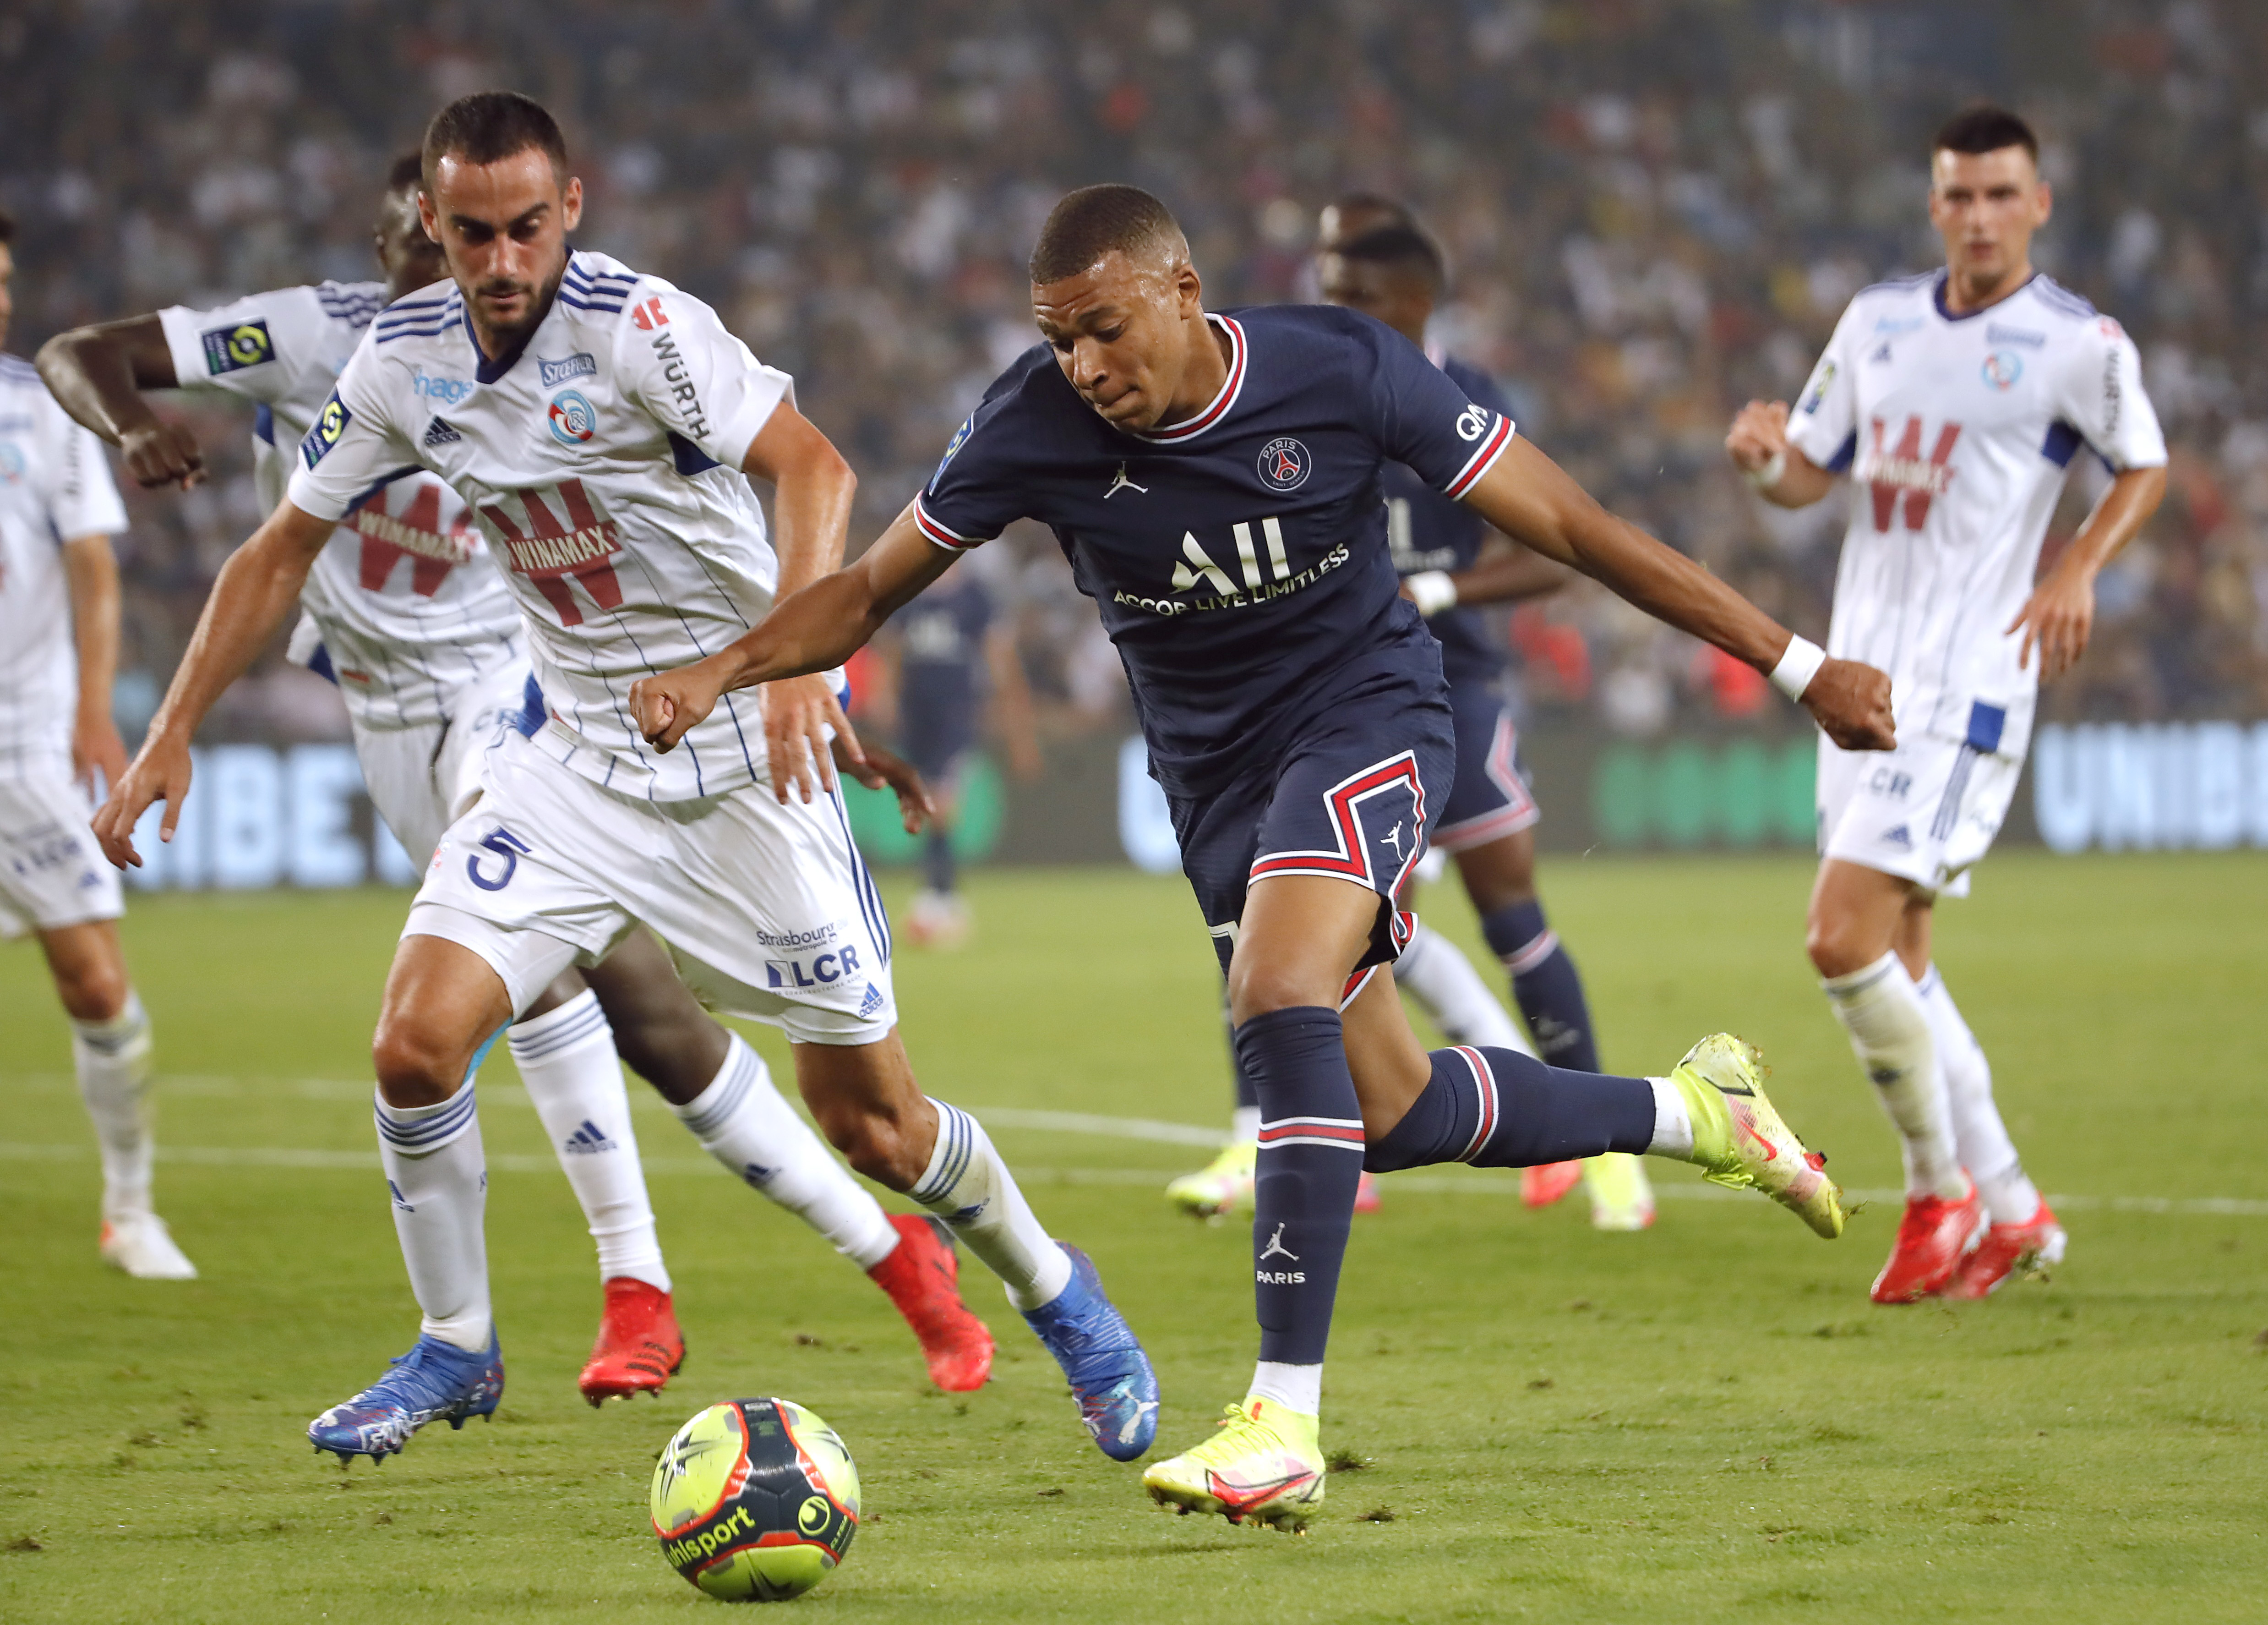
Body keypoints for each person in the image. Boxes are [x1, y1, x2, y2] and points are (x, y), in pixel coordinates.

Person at [627, 184, 1891, 1529]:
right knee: (1392, 1114)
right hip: (1216, 783)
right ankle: (1700, 1114)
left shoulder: (1338, 370)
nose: (1085, 368)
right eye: (1060, 340)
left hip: (1370, 715)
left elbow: (1574, 530)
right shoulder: (1031, 423)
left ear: (1183, 290)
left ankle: (1281, 1418)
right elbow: (867, 590)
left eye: (1105, 330)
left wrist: (1795, 662)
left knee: (1278, 997)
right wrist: (725, 666)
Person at [89, 95, 1149, 1463]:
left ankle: (1062, 1296)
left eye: (528, 226)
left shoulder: (642, 327)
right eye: (471, 232)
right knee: (414, 1044)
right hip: (575, 762)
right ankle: (456, 1347)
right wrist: (173, 725)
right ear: (434, 226)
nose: (503, 258)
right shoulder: (399, 360)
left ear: (570, 209)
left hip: (741, 767)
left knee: (878, 1127)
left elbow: (812, 469)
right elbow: (278, 551)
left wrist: (784, 675)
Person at [1725, 105, 2166, 1303]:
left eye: (2000, 195)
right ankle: (2014, 1207)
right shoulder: (1876, 324)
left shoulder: (2080, 344)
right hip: (1856, 678)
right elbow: (1810, 475)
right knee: (1902, 955)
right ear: (1936, 205)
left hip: (1969, 681)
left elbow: (2148, 462)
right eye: (1959, 196)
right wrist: (1768, 461)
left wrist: (2076, 565)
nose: (1978, 217)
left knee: (1840, 932)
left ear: (2039, 204)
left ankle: (1941, 1192)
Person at [1167, 204, 1651, 1232]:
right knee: (1291, 913)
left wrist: (1440, 594)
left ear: (1411, 305)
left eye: (1351, 295)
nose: (1328, 309)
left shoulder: (1460, 396)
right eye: (1325, 287)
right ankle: (1286, 1132)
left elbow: (1553, 549)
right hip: (1337, 695)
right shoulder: (1293, 388)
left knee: (1510, 909)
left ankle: (1609, 1150)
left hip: (1454, 686)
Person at [0, 206, 193, 1280]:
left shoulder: (35, 412)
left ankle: (130, 1207)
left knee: (94, 984)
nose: (3, 298)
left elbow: (92, 566)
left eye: (6, 279)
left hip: (23, 745)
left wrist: (89, 707)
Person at [862, 553, 1039, 947]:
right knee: (926, 802)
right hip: (915, 716)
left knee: (943, 802)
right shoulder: (910, 592)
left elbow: (998, 657)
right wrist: (884, 695)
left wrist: (1015, 727)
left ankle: (939, 896)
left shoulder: (976, 597)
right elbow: (890, 650)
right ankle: (942, 894)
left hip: (957, 714)